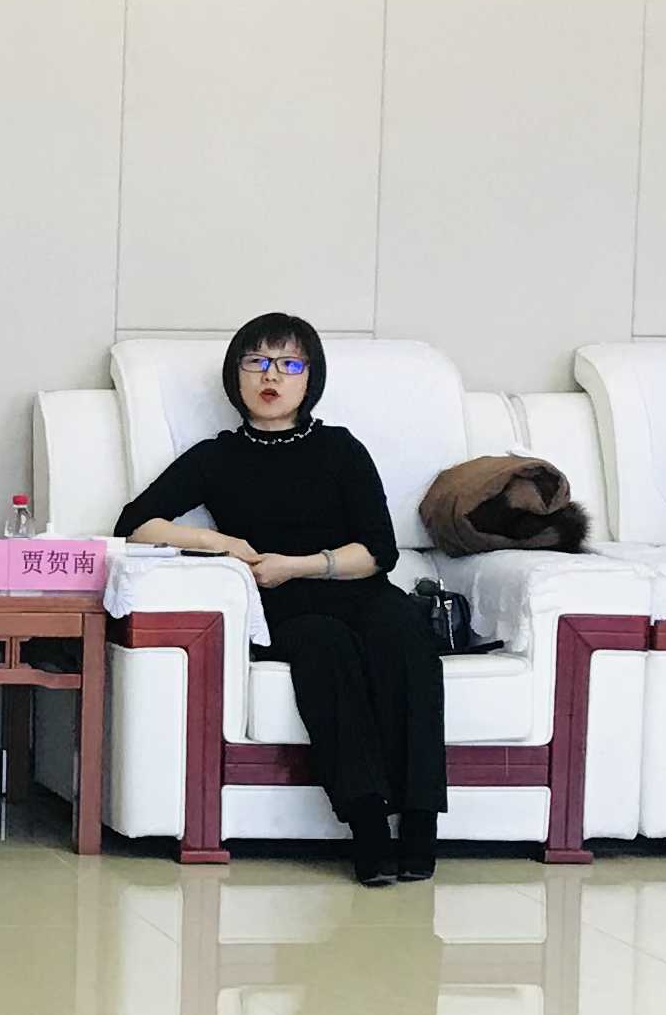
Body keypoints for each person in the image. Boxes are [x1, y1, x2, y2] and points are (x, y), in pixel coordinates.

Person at [112, 313, 446, 885]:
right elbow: (135, 523)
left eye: (289, 364)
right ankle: (367, 824)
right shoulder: (215, 457)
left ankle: (419, 821)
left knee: (404, 632)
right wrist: (218, 543)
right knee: (325, 645)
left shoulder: (341, 449)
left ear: (310, 378)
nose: (272, 376)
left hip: (356, 589)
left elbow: (379, 552)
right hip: (283, 608)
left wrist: (299, 564)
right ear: (236, 375)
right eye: (257, 362)